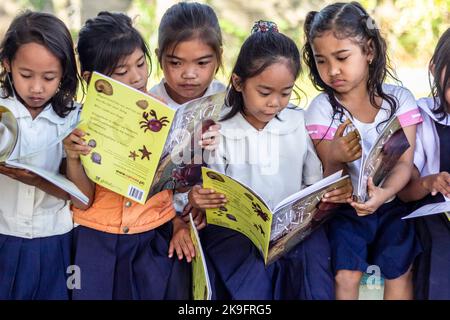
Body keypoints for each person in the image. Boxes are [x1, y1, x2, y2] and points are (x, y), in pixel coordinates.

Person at [189, 20, 352, 300]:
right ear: (238, 82)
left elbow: (312, 183)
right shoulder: (220, 130)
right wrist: (202, 198)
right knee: (246, 273)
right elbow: (214, 188)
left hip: (292, 229)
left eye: (285, 93)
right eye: (265, 92)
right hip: (237, 233)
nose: (275, 102)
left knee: (311, 261)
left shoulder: (297, 122)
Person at [64, 12, 192, 300]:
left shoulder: (163, 114)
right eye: (121, 72)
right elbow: (82, 198)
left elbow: (176, 185)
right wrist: (73, 157)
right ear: (91, 78)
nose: (136, 77)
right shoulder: (78, 122)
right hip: (95, 237)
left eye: (140, 63)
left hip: (151, 234)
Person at [303, 2, 422, 299]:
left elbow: (404, 164)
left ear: (369, 51)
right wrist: (336, 155)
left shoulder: (398, 101)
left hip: (391, 203)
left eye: (342, 57)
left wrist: (384, 194)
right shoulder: (322, 109)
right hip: (346, 210)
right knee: (346, 273)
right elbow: (327, 176)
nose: (332, 70)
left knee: (399, 268)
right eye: (321, 61)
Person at [0, 11, 80, 299]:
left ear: (64, 72)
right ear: (7, 64)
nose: (36, 88)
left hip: (54, 242)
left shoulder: (73, 118)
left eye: (49, 77)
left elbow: (83, 196)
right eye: (25, 75)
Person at [149, 1, 225, 228]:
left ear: (219, 57)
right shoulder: (150, 105)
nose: (189, 74)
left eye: (202, 63)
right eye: (175, 63)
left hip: (214, 213)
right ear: (159, 57)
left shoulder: (228, 100)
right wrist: (174, 221)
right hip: (160, 217)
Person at [398, 28, 450, 300]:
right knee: (441, 251)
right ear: (434, 69)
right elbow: (405, 191)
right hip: (431, 213)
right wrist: (430, 182)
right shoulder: (422, 117)